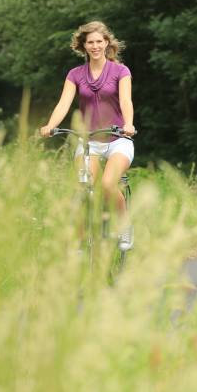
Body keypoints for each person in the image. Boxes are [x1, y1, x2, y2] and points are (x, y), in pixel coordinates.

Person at [40, 20, 135, 250]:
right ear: (83, 46)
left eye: (99, 41)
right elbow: (64, 103)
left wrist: (129, 124)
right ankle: (81, 244)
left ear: (106, 43)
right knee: (83, 187)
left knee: (108, 183)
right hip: (90, 141)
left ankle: (125, 226)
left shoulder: (120, 71)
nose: (95, 46)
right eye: (90, 42)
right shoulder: (75, 74)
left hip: (117, 138)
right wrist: (50, 125)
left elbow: (125, 100)